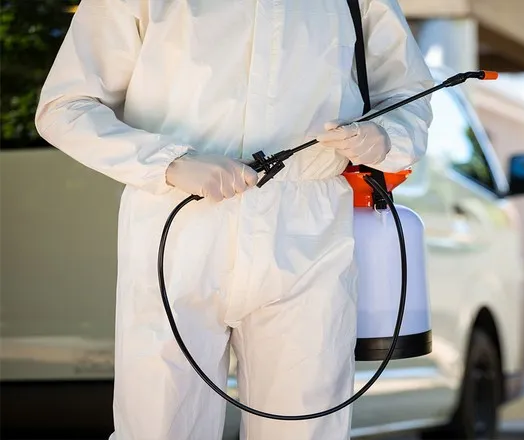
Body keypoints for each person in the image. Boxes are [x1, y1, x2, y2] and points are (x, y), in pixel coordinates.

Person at [34, 0, 434, 438]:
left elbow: (407, 94)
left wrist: (384, 136)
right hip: (176, 225)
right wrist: (168, 163)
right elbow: (65, 106)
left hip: (308, 234)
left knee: (306, 430)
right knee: (160, 427)